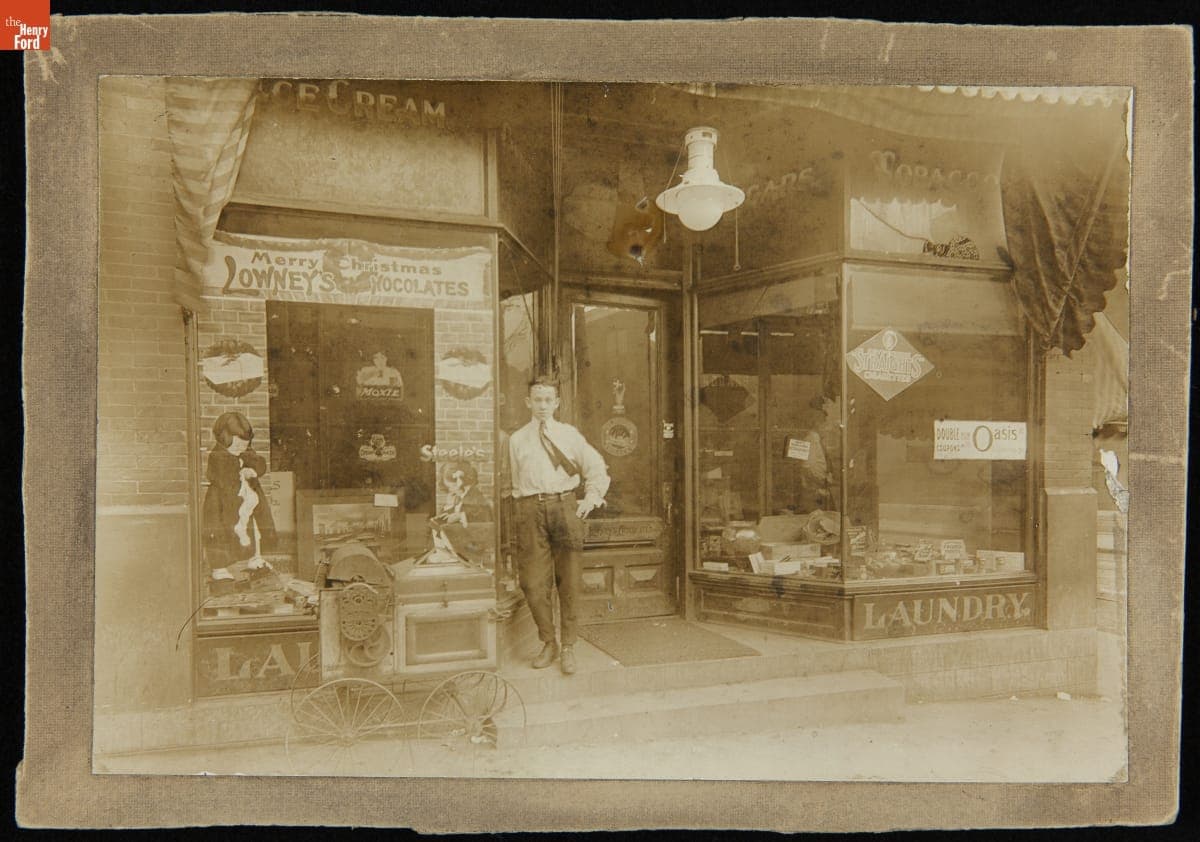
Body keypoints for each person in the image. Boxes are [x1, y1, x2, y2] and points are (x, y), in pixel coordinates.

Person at [503, 376, 610, 675]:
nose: (542, 406)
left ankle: (569, 647)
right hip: (529, 510)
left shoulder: (569, 435)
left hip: (565, 507)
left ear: (557, 403)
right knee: (533, 584)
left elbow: (596, 468)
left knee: (570, 582)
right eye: (537, 400)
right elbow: (514, 482)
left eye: (548, 400)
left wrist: (590, 498)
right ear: (528, 402)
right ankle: (548, 641)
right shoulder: (516, 440)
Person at [201, 411, 276, 582]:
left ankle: (254, 558)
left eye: (245, 445)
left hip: (245, 500)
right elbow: (223, 477)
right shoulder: (217, 456)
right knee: (219, 532)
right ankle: (219, 568)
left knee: (254, 529)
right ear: (225, 439)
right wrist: (241, 468)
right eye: (237, 446)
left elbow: (260, 463)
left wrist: (253, 469)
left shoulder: (245, 452)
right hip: (223, 502)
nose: (241, 449)